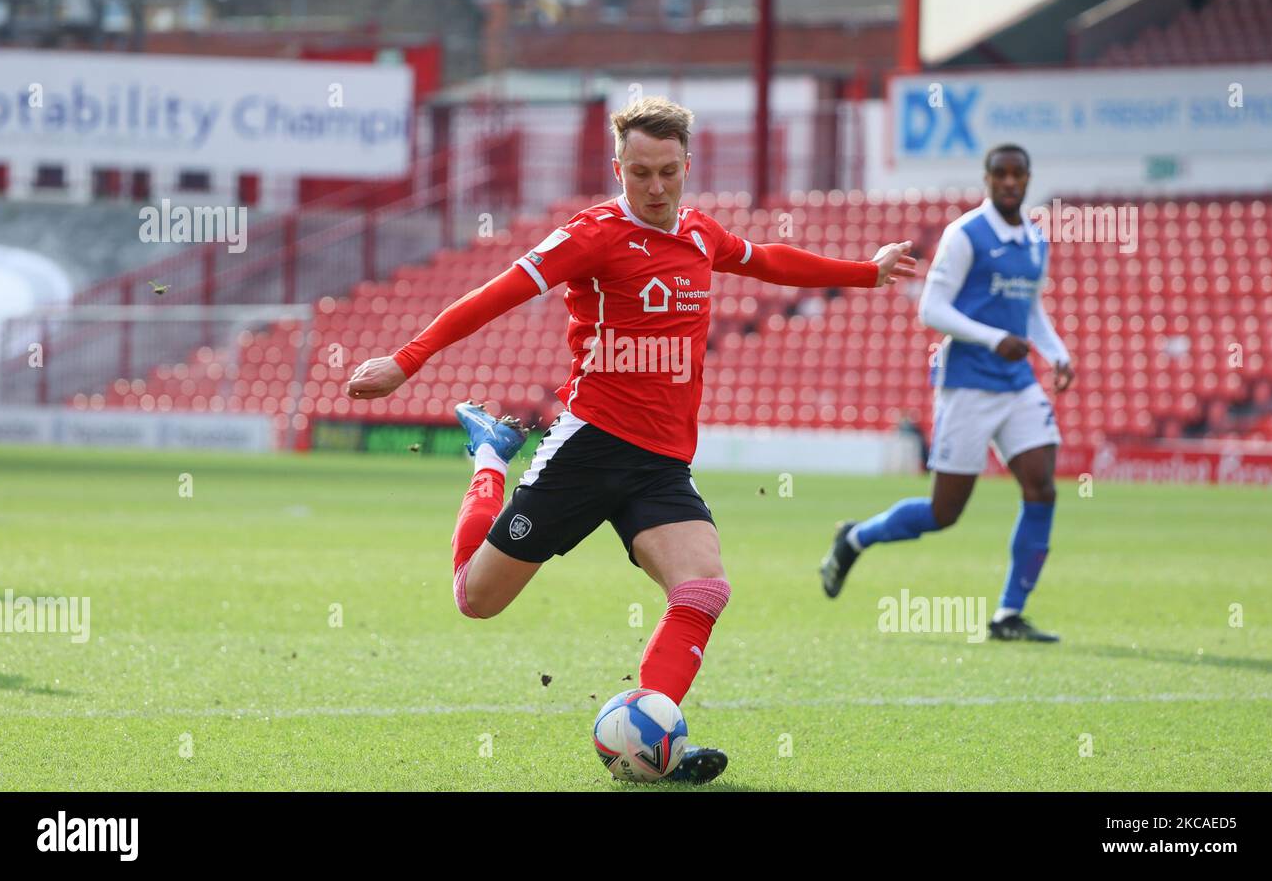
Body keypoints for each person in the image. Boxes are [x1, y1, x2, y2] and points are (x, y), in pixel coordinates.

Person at [348, 96, 916, 782]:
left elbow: (767, 260)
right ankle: (493, 455)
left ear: (685, 166)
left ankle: (652, 742)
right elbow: (496, 293)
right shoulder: (591, 236)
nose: (653, 188)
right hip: (589, 448)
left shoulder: (700, 235)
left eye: (667, 173)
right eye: (638, 172)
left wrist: (866, 270)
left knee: (704, 589)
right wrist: (407, 361)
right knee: (476, 599)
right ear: (618, 167)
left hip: (660, 463)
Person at [819, 145, 1073, 642]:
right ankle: (854, 538)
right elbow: (931, 309)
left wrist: (1056, 352)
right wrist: (992, 338)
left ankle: (1008, 615)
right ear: (986, 178)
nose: (1008, 182)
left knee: (1042, 485)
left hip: (1018, 384)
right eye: (999, 174)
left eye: (1017, 174)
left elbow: (1031, 310)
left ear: (1028, 179)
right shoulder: (966, 235)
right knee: (944, 513)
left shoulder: (1035, 241)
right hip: (968, 384)